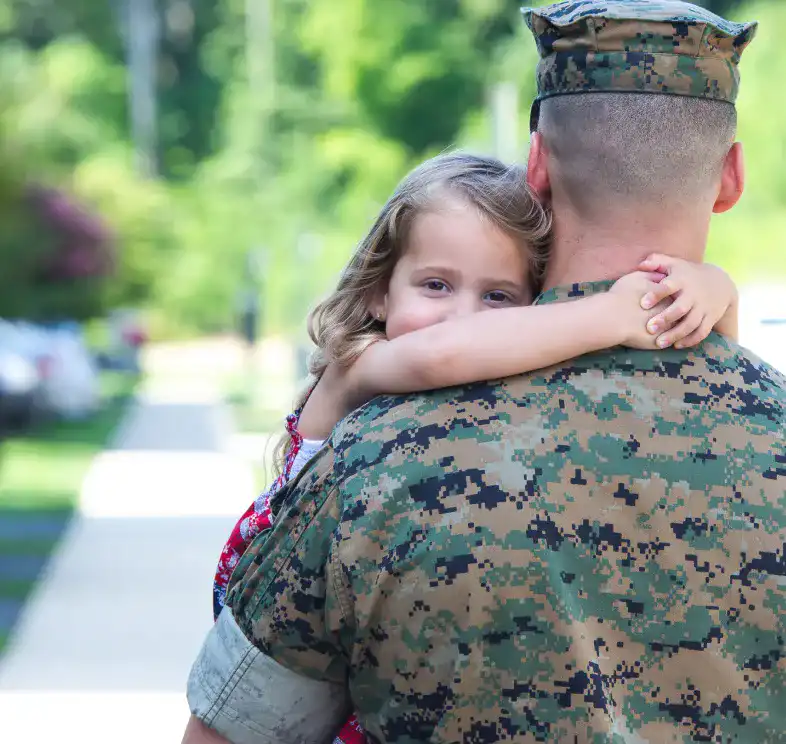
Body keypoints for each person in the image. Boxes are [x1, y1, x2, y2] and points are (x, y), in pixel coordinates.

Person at [185, 2, 786, 742]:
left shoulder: (374, 458)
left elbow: (232, 732)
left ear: (536, 167)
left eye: (490, 294)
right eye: (436, 285)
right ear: (731, 178)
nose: (463, 313)